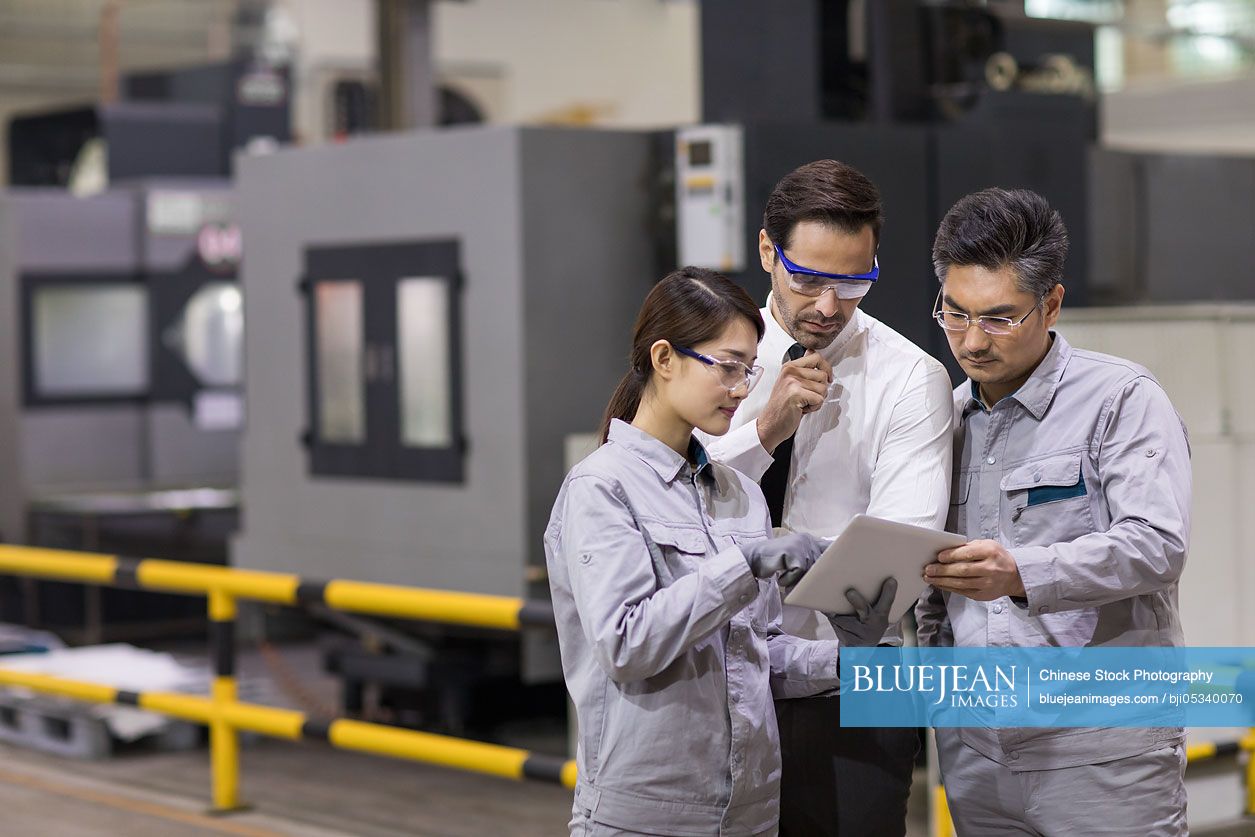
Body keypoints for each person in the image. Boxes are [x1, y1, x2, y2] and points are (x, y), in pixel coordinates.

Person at [545, 266, 896, 836]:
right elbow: (627, 645)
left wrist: (849, 663)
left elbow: (756, 653)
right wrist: (747, 563)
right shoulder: (601, 488)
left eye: (749, 369)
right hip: (648, 815)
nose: (742, 387)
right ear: (664, 359)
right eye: (728, 367)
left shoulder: (739, 493)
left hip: (750, 811)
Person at [916, 188, 1190, 836]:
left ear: (1052, 303)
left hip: (1099, 752)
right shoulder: (942, 421)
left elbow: (1156, 543)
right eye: (954, 315)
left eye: (998, 318)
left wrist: (1021, 572)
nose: (971, 341)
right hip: (977, 755)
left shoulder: (1118, 399)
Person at [701, 160, 954, 836]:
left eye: (852, 282)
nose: (826, 306)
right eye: (807, 277)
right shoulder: (708, 361)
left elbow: (887, 565)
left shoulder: (910, 379)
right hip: (715, 674)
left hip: (852, 686)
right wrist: (762, 433)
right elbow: (667, 508)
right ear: (766, 251)